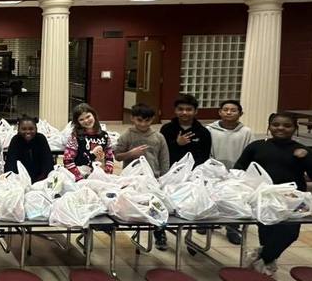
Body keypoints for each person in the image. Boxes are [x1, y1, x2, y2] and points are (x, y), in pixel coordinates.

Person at [235, 112, 312, 276]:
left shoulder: (303, 151)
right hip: (263, 198)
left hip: (294, 200)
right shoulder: (256, 146)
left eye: (287, 126)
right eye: (276, 125)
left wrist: (307, 159)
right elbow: (238, 169)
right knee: (267, 232)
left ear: (295, 128)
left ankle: (259, 256)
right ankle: (265, 266)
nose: (281, 128)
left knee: (291, 233)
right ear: (269, 126)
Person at [115, 103, 172, 250]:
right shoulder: (127, 136)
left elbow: (164, 159)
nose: (143, 124)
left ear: (152, 119)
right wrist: (130, 154)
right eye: (139, 120)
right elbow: (117, 156)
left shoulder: (158, 137)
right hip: (132, 179)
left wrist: (163, 178)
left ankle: (159, 232)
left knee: (156, 206)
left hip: (153, 178)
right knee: (135, 205)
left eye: (147, 121)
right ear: (133, 118)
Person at [207, 99, 255, 246]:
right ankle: (206, 224)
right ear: (220, 112)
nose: (229, 112)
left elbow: (250, 152)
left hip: (237, 172)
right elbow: (206, 150)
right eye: (225, 109)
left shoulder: (246, 132)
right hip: (214, 171)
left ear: (240, 113)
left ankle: (233, 228)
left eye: (233, 110)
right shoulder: (210, 130)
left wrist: (240, 171)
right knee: (211, 197)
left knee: (236, 201)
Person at [63, 103, 114, 181]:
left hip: (100, 176)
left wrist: (107, 174)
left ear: (93, 115)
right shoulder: (75, 137)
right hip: (80, 177)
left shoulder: (105, 135)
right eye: (81, 119)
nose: (86, 121)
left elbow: (109, 158)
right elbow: (67, 160)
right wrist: (80, 178)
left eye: (88, 116)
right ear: (77, 122)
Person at [160, 94, 212, 167]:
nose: (184, 112)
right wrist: (177, 144)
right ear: (175, 110)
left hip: (195, 171)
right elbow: (162, 153)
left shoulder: (203, 132)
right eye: (180, 109)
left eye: (189, 109)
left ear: (195, 111)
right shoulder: (166, 129)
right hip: (171, 170)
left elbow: (205, 156)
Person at [4, 116, 51, 183]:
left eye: (31, 129)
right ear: (18, 129)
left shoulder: (41, 139)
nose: (28, 132)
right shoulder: (15, 140)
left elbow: (48, 162)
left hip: (41, 180)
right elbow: (10, 164)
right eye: (24, 129)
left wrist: (43, 180)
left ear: (36, 129)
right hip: (20, 180)